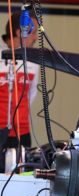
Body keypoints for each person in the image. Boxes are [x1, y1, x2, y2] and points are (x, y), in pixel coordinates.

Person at [0, 10, 39, 172]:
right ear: (19, 32)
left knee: (20, 180)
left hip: (22, 133)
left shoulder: (34, 60)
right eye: (33, 32)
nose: (36, 37)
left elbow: (31, 96)